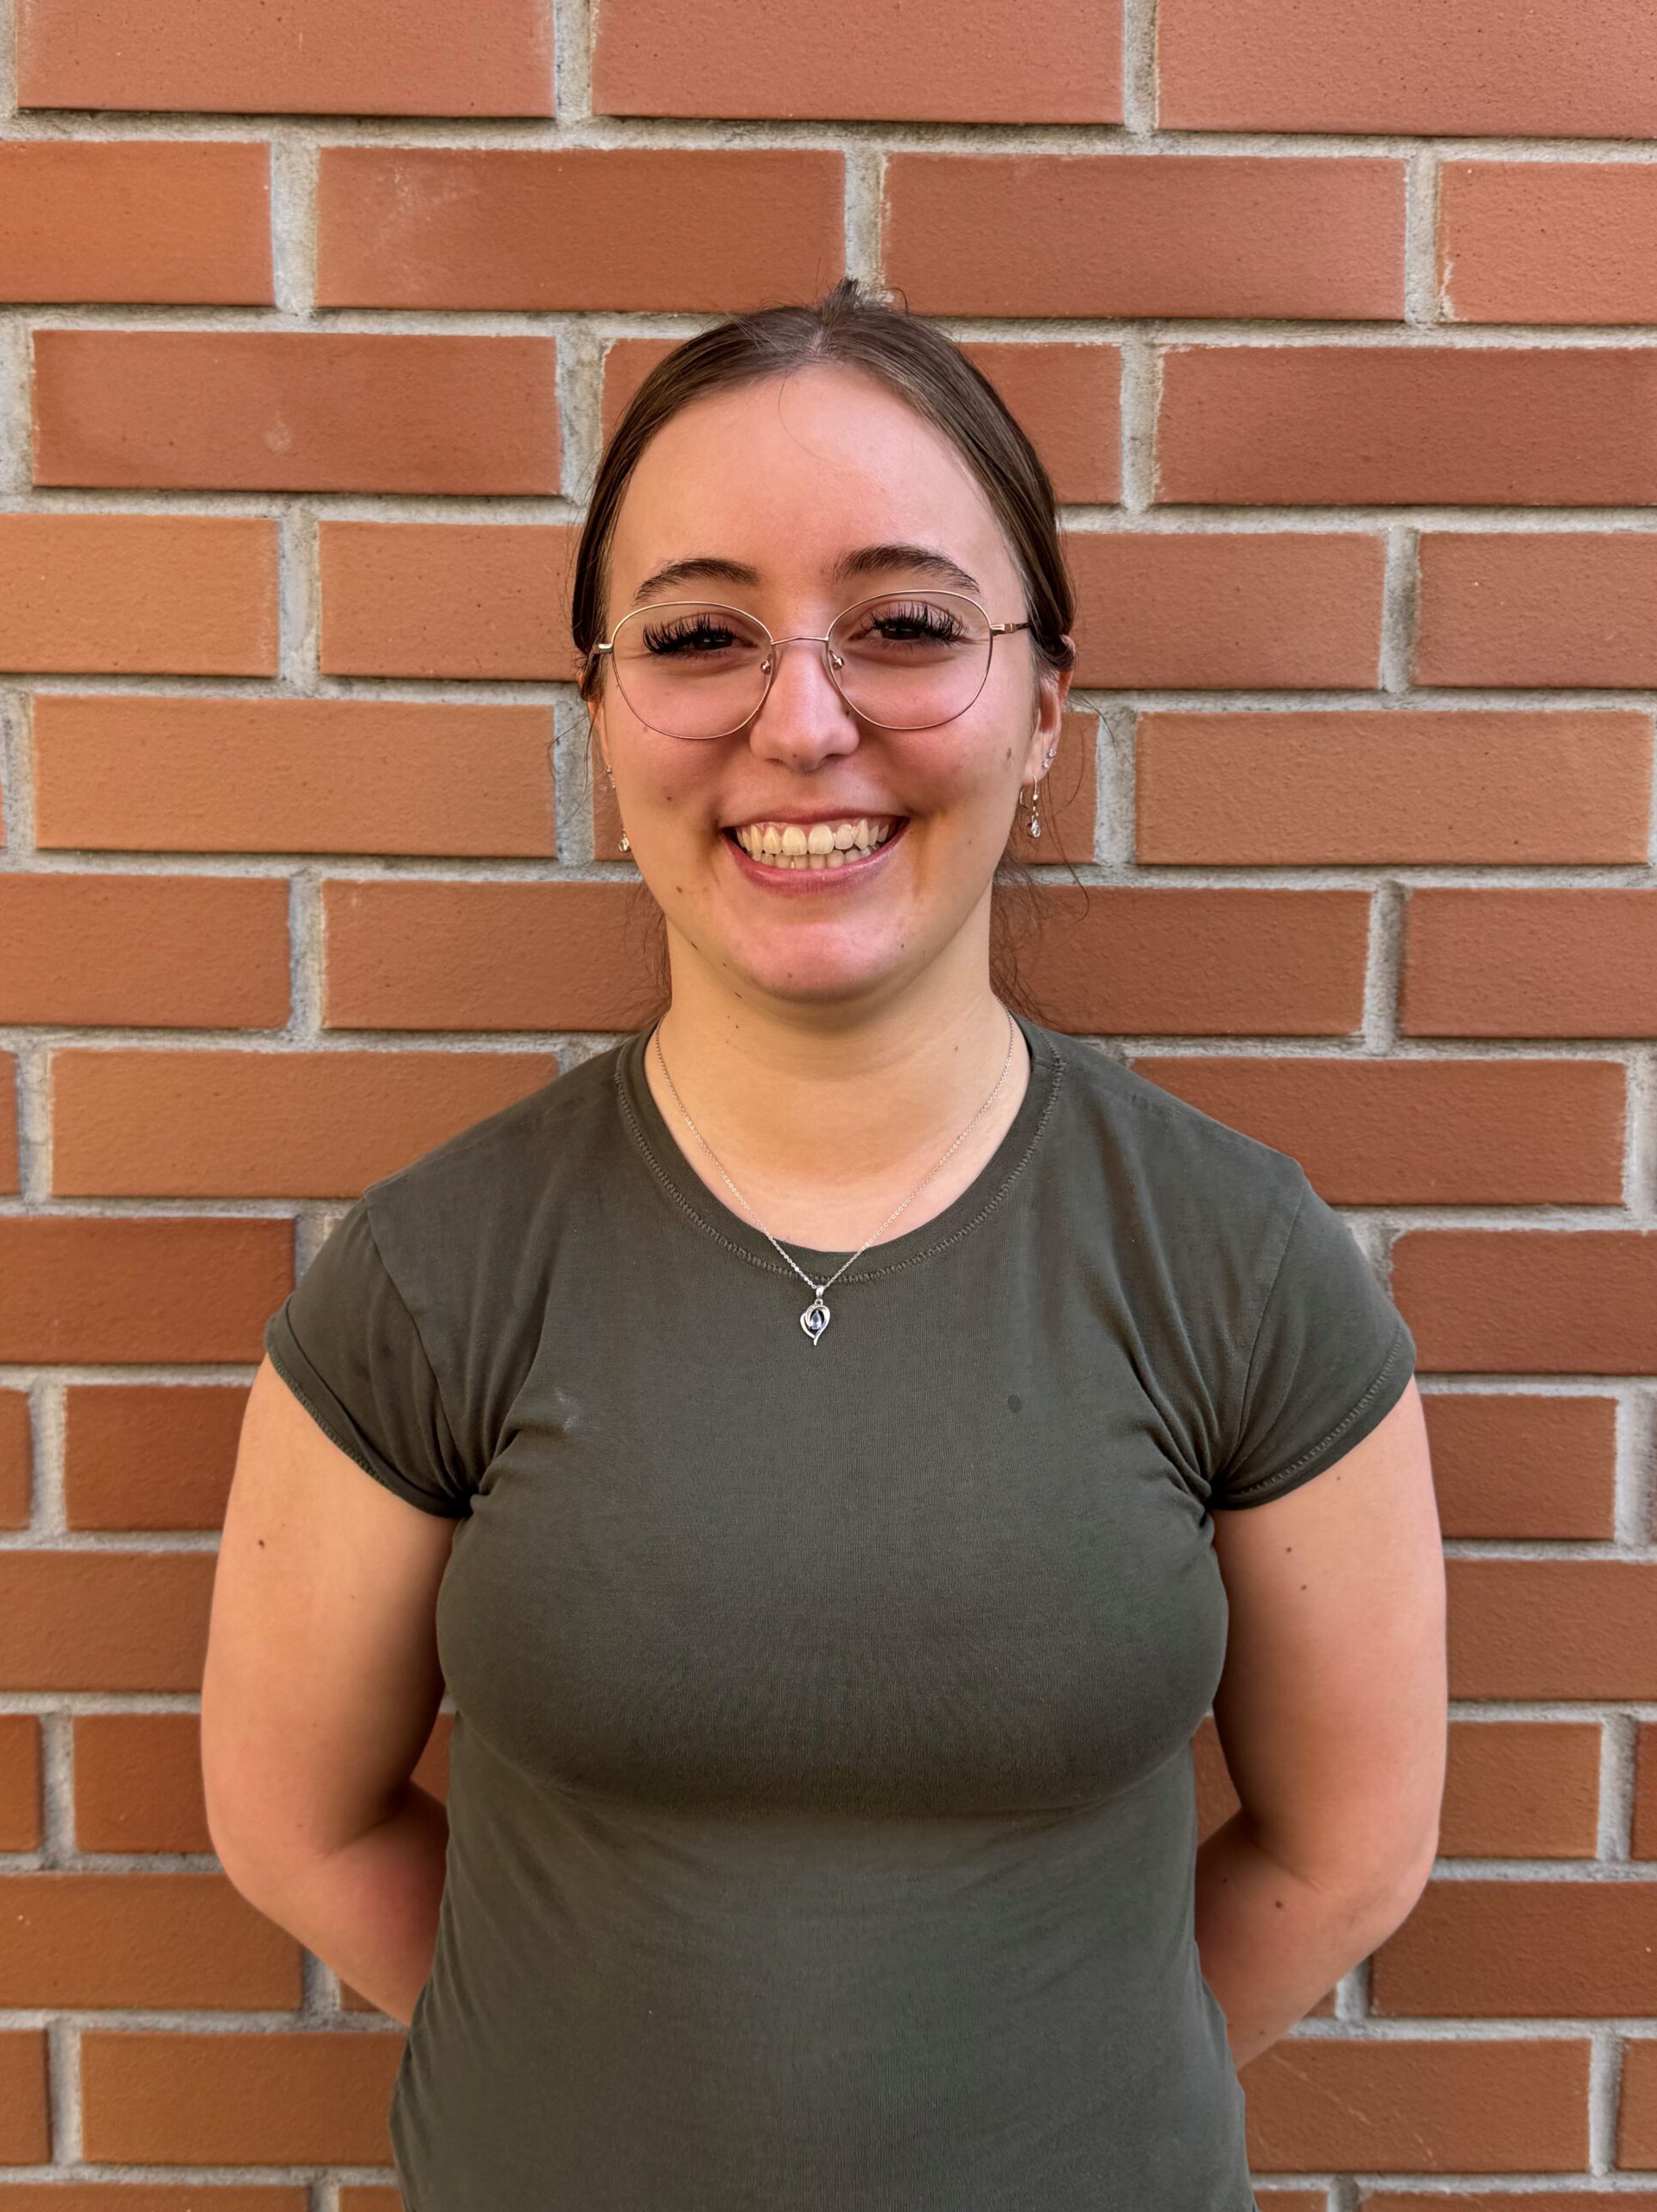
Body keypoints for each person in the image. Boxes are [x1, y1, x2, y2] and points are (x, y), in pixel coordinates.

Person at [201, 276, 1447, 2212]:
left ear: (1045, 708)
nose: (802, 721)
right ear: (601, 711)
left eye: (907, 627)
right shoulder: (436, 1273)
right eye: (700, 633)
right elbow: (296, 1821)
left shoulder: (1240, 1264)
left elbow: (1346, 1852)